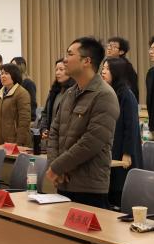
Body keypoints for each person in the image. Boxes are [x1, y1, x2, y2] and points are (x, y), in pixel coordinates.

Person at [45, 37, 119, 208]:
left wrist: (58, 167)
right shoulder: (70, 93)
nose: (65, 59)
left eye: (70, 54)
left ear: (86, 61)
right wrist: (55, 166)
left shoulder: (104, 95)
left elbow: (91, 142)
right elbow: (54, 131)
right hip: (63, 181)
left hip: (89, 187)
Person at [102, 57, 142, 208]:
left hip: (123, 150)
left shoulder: (126, 94)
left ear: (116, 72)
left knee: (121, 189)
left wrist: (127, 152)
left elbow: (131, 126)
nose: (103, 72)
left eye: (107, 69)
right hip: (111, 147)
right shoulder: (107, 93)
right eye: (103, 68)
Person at [0, 63, 32, 147]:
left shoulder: (22, 93)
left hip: (15, 142)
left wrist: (19, 142)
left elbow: (24, 121)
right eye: (2, 73)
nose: (3, 76)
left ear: (14, 75)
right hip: (0, 142)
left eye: (6, 73)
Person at [38, 59, 74, 138]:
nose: (57, 73)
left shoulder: (74, 91)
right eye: (56, 70)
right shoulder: (54, 92)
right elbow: (45, 113)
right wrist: (43, 129)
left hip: (65, 137)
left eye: (61, 69)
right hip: (51, 137)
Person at [106, 36, 140, 101]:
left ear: (121, 52)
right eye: (109, 45)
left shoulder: (125, 65)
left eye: (114, 47)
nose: (109, 48)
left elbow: (130, 88)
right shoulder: (107, 62)